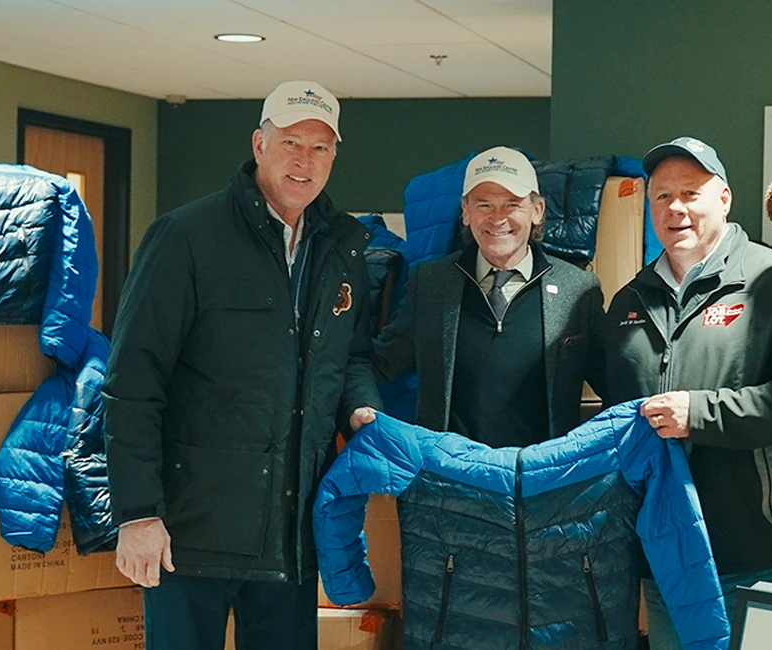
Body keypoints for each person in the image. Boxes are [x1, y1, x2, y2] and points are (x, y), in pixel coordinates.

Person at [103, 80, 382, 650]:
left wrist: (360, 406)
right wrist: (136, 513)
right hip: (192, 533)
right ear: (260, 145)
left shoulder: (345, 245)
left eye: (320, 147)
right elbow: (133, 381)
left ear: (335, 155)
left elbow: (349, 354)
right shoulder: (186, 236)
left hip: (290, 536)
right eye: (291, 143)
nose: (305, 161)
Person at [603, 136, 772, 649]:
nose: (676, 208)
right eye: (662, 197)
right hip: (667, 557)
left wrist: (702, 413)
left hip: (761, 554)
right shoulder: (629, 300)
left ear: (725, 198)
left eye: (691, 192)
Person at [373, 145, 605, 448]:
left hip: (541, 481)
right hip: (448, 480)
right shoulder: (431, 283)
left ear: (537, 211)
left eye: (512, 204)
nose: (498, 219)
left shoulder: (578, 289)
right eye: (484, 205)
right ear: (466, 212)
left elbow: (614, 382)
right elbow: (381, 363)